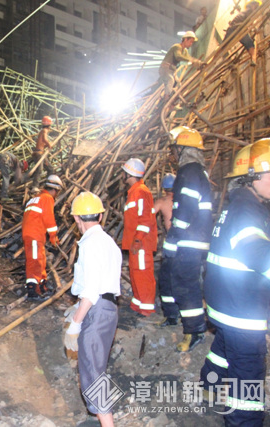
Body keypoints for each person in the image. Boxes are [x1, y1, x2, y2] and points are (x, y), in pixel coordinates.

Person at [199, 140, 270, 426]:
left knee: (224, 347)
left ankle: (210, 384)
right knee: (248, 375)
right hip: (241, 312)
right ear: (254, 176)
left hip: (225, 305)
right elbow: (262, 259)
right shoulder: (248, 213)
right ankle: (244, 420)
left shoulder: (238, 206)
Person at [64, 192, 121, 427]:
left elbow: (92, 289)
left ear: (77, 219)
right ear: (100, 216)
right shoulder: (108, 242)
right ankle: (97, 419)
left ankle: (106, 422)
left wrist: (76, 323)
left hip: (96, 311)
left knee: (93, 373)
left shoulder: (91, 243)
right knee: (95, 366)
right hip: (107, 310)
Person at [161, 127, 212, 352]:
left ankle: (194, 331)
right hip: (195, 238)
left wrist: (173, 238)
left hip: (189, 240)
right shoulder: (196, 172)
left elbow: (186, 210)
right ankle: (190, 325)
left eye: (175, 149)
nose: (173, 154)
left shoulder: (190, 172)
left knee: (185, 284)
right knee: (185, 282)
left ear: (183, 150)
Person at [121, 158, 158, 316]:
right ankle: (137, 304)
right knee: (136, 273)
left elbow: (145, 219)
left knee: (143, 274)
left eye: (124, 172)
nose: (122, 175)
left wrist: (138, 240)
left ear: (129, 174)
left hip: (141, 244)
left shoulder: (141, 192)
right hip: (135, 243)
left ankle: (146, 309)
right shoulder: (134, 192)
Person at [22, 175, 62, 301]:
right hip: (35, 234)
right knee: (35, 261)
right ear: (55, 190)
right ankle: (32, 291)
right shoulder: (47, 198)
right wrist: (53, 236)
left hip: (31, 234)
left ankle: (42, 286)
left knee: (40, 259)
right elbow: (49, 218)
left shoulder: (35, 199)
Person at [154, 173, 177, 324]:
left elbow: (147, 215)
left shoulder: (162, 201)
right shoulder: (185, 200)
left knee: (166, 278)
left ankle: (171, 315)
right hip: (188, 243)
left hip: (173, 241)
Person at [158, 31, 203, 95]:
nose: (191, 44)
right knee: (171, 80)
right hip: (165, 68)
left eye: (192, 42)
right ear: (185, 39)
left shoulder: (184, 51)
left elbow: (189, 58)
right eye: (190, 41)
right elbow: (178, 56)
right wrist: (192, 60)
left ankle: (174, 100)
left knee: (179, 85)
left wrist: (198, 63)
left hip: (172, 70)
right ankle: (166, 98)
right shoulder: (177, 47)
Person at [223, 0, 261, 65]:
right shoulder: (250, 11)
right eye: (255, 5)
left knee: (223, 46)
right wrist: (255, 29)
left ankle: (225, 61)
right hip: (240, 28)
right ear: (252, 4)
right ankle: (253, 60)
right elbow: (250, 21)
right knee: (250, 45)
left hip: (231, 28)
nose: (256, 7)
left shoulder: (244, 12)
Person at [30, 116, 57, 191]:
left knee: (50, 169)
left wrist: (48, 144)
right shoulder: (44, 130)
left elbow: (41, 143)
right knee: (40, 169)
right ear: (49, 124)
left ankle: (47, 184)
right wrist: (49, 144)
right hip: (39, 154)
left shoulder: (42, 131)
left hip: (39, 153)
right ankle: (35, 187)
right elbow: (45, 139)